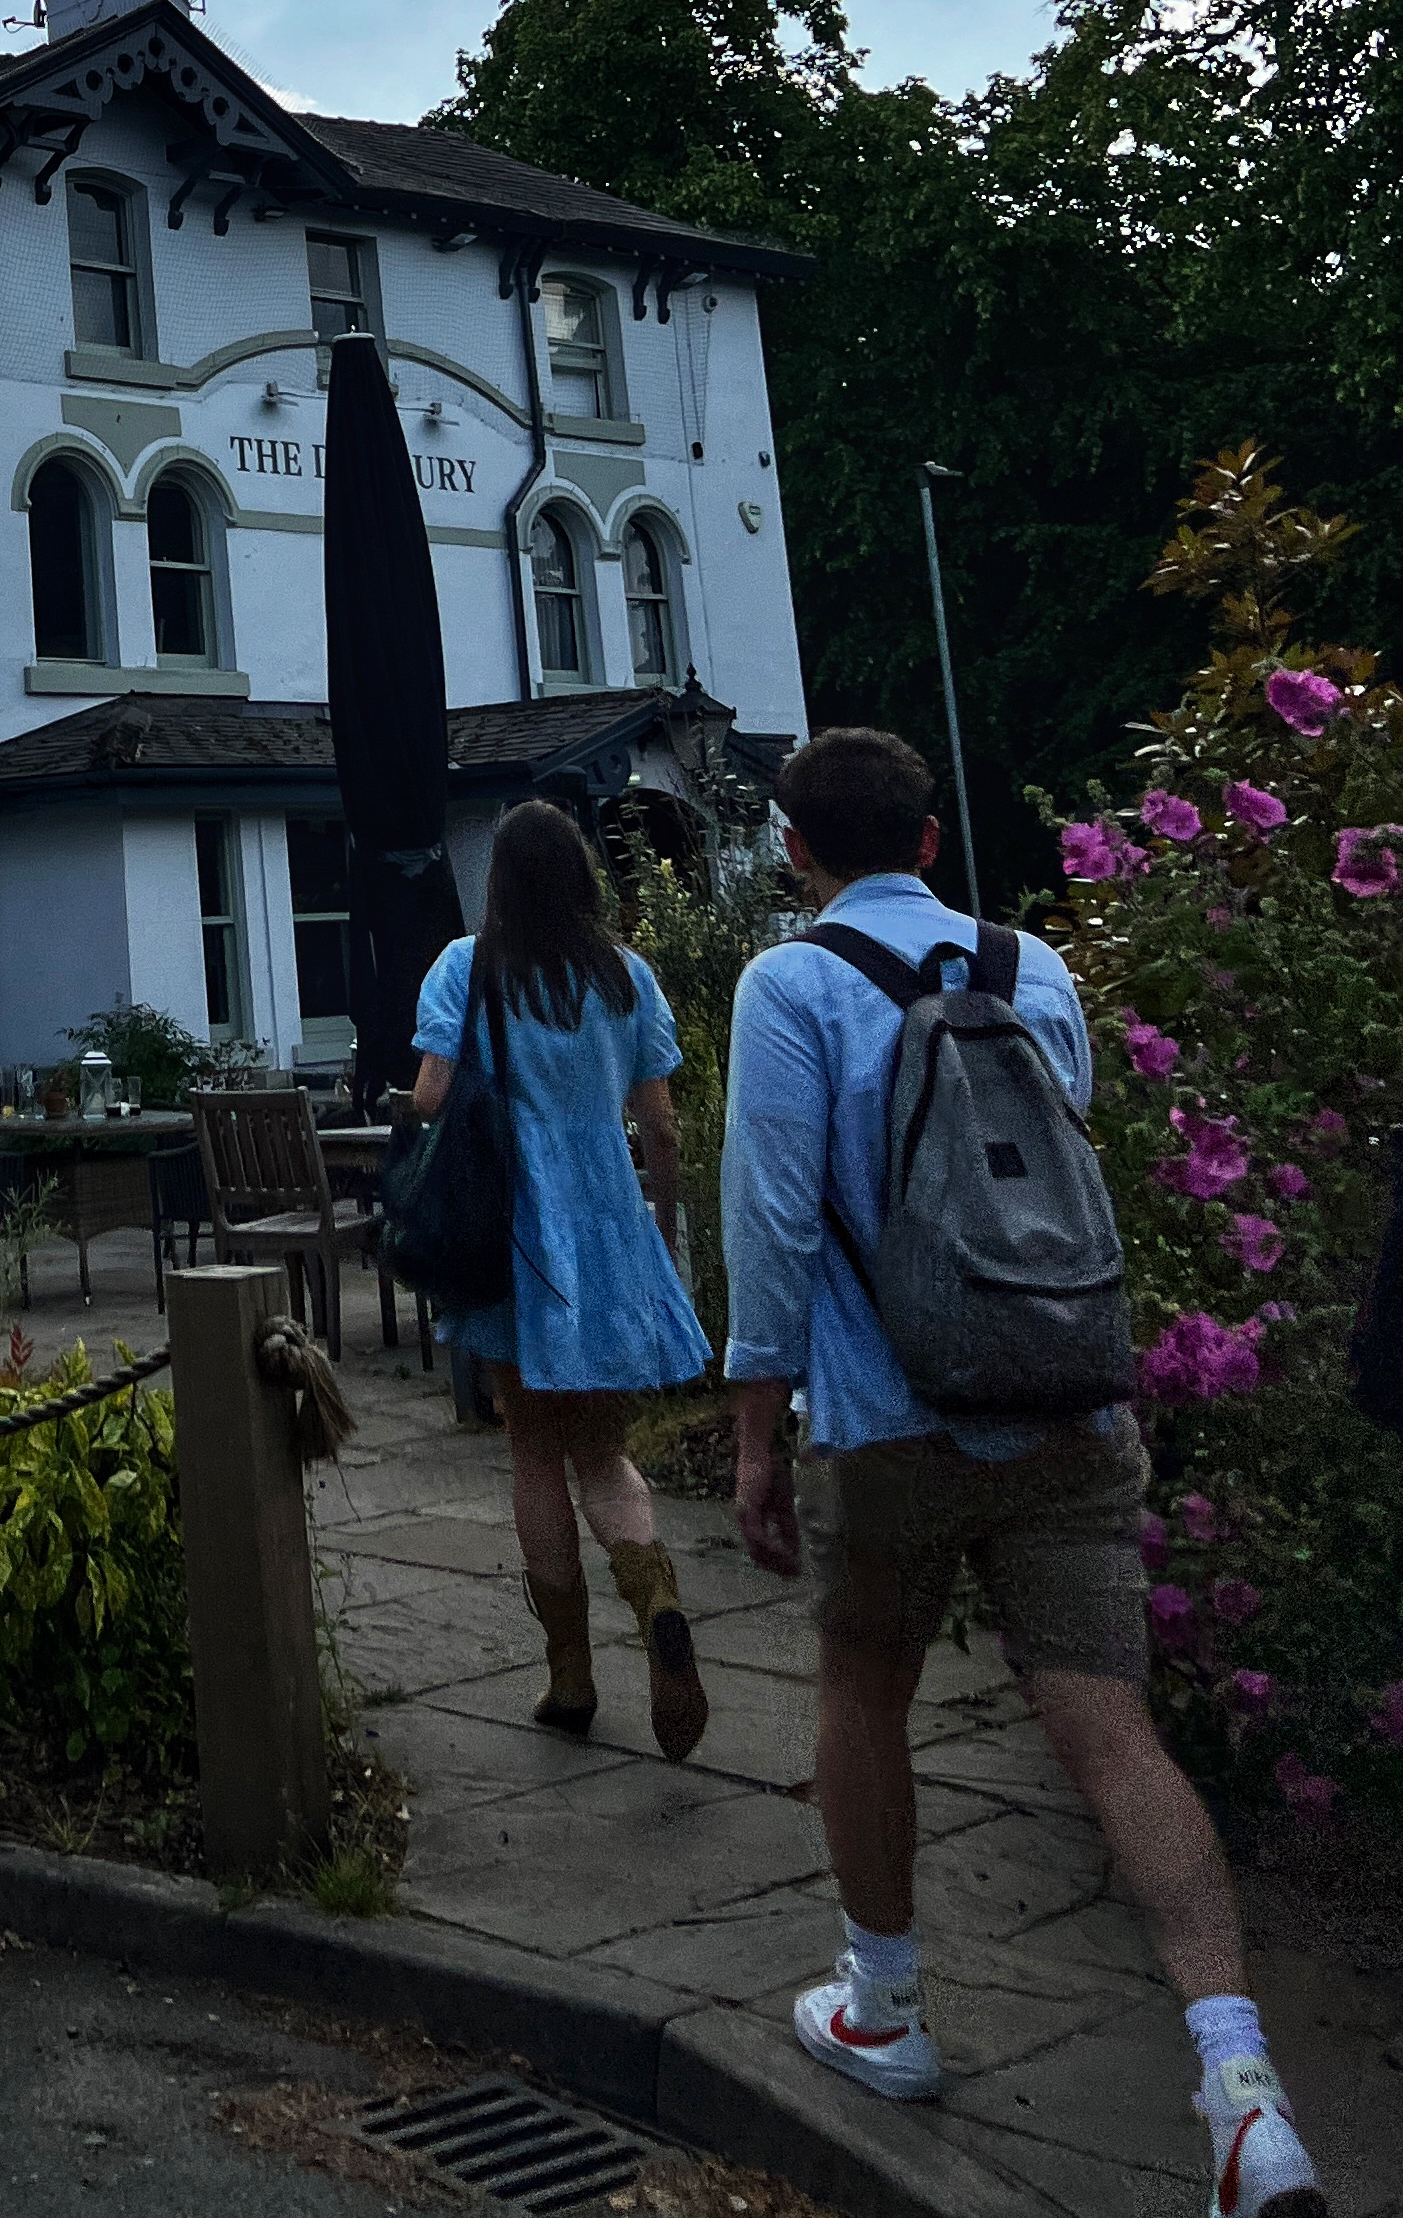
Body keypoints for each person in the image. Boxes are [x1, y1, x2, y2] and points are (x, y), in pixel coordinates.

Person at [722, 726, 1329, 2217]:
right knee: (1114, 1737)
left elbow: (774, 1221)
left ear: (796, 854)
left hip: (891, 1421)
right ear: (932, 841)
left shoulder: (790, 984)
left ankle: (886, 2008)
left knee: (865, 1691)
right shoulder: (1032, 968)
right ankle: (1244, 2093)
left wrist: (753, 1431)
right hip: (1064, 1408)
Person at [412, 798, 716, 1759]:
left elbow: (430, 1095)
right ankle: (656, 1597)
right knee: (602, 1451)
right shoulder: (626, 976)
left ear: (498, 881)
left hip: (511, 1237)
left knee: (533, 1452)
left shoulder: (467, 968)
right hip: (607, 1227)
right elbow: (659, 1124)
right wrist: (659, 1232)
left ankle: (571, 1677)